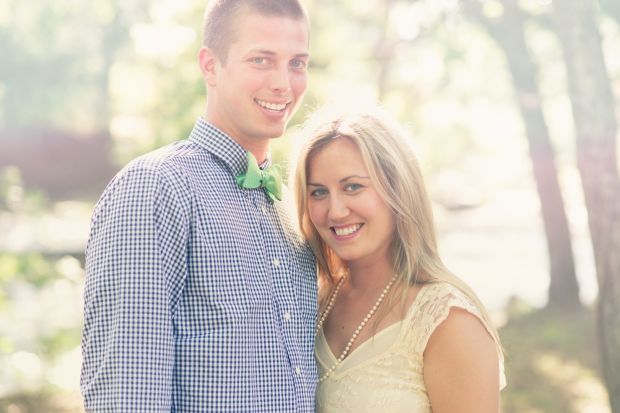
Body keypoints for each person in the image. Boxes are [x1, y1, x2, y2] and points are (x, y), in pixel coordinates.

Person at [80, 1, 318, 411]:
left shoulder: (289, 210)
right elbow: (127, 393)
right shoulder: (156, 187)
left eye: (297, 63)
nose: (283, 83)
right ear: (210, 66)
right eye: (261, 60)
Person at [291, 104, 506, 413]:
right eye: (318, 192)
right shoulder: (312, 301)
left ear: (398, 189)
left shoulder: (448, 321)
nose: (335, 211)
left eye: (353, 187)